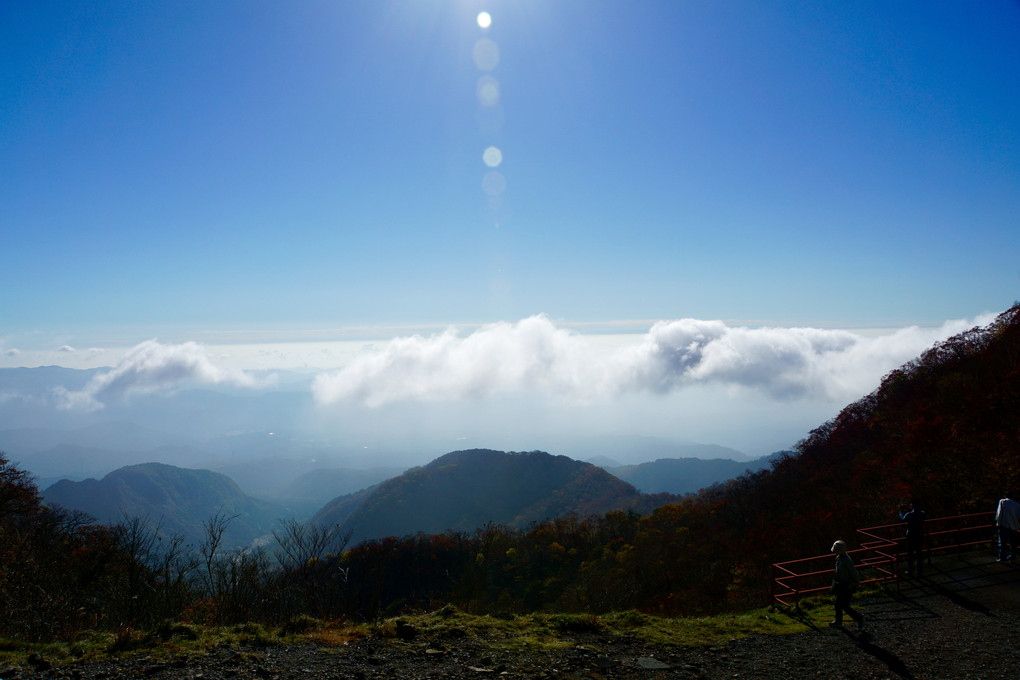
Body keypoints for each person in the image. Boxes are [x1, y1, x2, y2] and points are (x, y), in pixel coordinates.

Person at [829, 540, 865, 631]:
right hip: (842, 585)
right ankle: (839, 621)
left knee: (842, 605)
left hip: (846, 586)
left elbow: (853, 573)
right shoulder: (841, 558)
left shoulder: (845, 560)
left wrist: (855, 582)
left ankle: (858, 618)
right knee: (839, 604)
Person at [898, 499, 926, 577]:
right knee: (919, 553)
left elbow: (902, 520)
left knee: (910, 554)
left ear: (912, 505)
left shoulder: (909, 514)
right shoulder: (923, 513)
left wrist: (900, 512)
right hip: (919, 535)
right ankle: (919, 571)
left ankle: (910, 571)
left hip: (910, 535)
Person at [995, 492, 1020, 562]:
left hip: (1004, 524)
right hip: (1014, 526)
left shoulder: (1002, 502)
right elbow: (1018, 516)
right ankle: (1013, 556)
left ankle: (1002, 557)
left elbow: (999, 513)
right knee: (1013, 543)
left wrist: (998, 523)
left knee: (1003, 542)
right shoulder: (1017, 505)